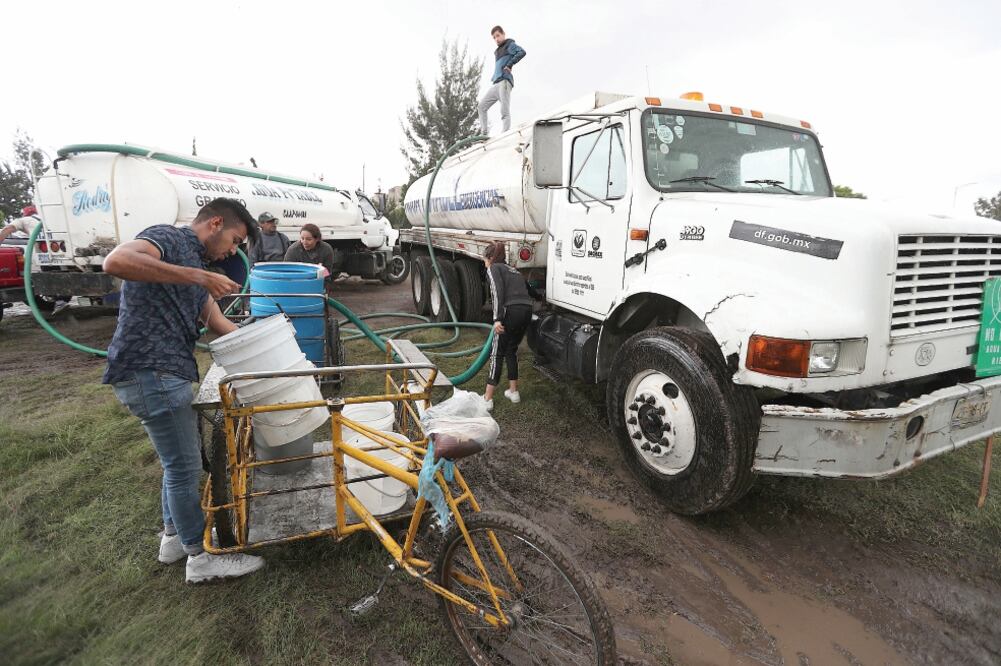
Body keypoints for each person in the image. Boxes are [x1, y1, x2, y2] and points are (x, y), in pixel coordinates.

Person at [102, 198, 265, 584]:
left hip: (163, 372)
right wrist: (198, 277)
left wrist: (267, 349)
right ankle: (200, 559)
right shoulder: (169, 239)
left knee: (175, 463)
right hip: (151, 370)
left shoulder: (195, 267)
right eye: (234, 240)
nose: (233, 251)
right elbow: (116, 261)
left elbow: (220, 325)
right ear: (215, 223)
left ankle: (174, 540)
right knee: (184, 468)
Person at [483, 241, 538, 409]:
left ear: (490, 258)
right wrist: (540, 297)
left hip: (510, 312)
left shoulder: (494, 268)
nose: (484, 263)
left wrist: (497, 319)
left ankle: (487, 399)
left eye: (484, 260)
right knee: (511, 350)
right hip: (526, 311)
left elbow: (497, 292)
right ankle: (513, 392)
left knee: (497, 353)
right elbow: (529, 289)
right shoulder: (514, 270)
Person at [1, 205, 70, 315]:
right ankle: (61, 300)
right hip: (61, 251)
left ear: (25, 214)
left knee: (49, 276)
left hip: (45, 254)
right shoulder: (46, 219)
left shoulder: (24, 220)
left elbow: (8, 229)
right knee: (61, 275)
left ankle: (60, 301)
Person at [477, 25, 527, 135]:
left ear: (503, 34)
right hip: (496, 84)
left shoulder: (509, 45)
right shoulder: (497, 51)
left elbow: (522, 52)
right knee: (481, 106)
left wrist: (510, 64)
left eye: (498, 35)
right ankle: (484, 133)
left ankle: (505, 132)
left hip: (504, 82)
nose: (496, 39)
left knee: (504, 110)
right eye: (494, 37)